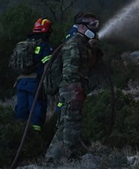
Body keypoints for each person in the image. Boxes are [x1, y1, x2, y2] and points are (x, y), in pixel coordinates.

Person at [45, 12, 103, 163]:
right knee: (72, 124)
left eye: (96, 24)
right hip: (72, 90)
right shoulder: (74, 44)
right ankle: (70, 157)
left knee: (64, 125)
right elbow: (70, 71)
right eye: (92, 25)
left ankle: (51, 159)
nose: (95, 28)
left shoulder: (83, 44)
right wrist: (75, 92)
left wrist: (94, 51)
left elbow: (88, 66)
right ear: (82, 27)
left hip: (73, 89)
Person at [14, 18, 54, 132]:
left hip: (21, 82)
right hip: (35, 83)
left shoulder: (26, 43)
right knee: (37, 109)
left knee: (21, 109)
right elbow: (48, 66)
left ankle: (18, 133)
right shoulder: (45, 46)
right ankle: (36, 137)